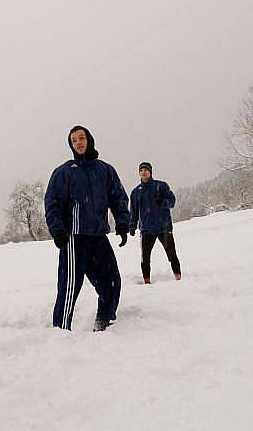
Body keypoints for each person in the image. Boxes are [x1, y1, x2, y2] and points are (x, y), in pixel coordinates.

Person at [44, 125, 130, 332]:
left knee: (111, 281)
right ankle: (61, 331)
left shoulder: (105, 170)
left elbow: (118, 198)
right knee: (70, 287)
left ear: (89, 139)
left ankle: (103, 321)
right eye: (74, 140)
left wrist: (122, 223)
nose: (79, 142)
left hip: (98, 235)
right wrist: (57, 230)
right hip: (74, 237)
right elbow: (52, 202)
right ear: (71, 145)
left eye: (81, 138)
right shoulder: (64, 172)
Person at [128, 162, 181, 284]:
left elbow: (172, 201)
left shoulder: (161, 186)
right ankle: (147, 281)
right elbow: (134, 211)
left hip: (164, 228)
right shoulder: (136, 192)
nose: (143, 172)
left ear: (150, 172)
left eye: (146, 170)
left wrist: (163, 202)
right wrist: (132, 226)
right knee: (145, 258)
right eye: (141, 170)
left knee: (171, 254)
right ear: (139, 173)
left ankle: (178, 277)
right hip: (146, 229)